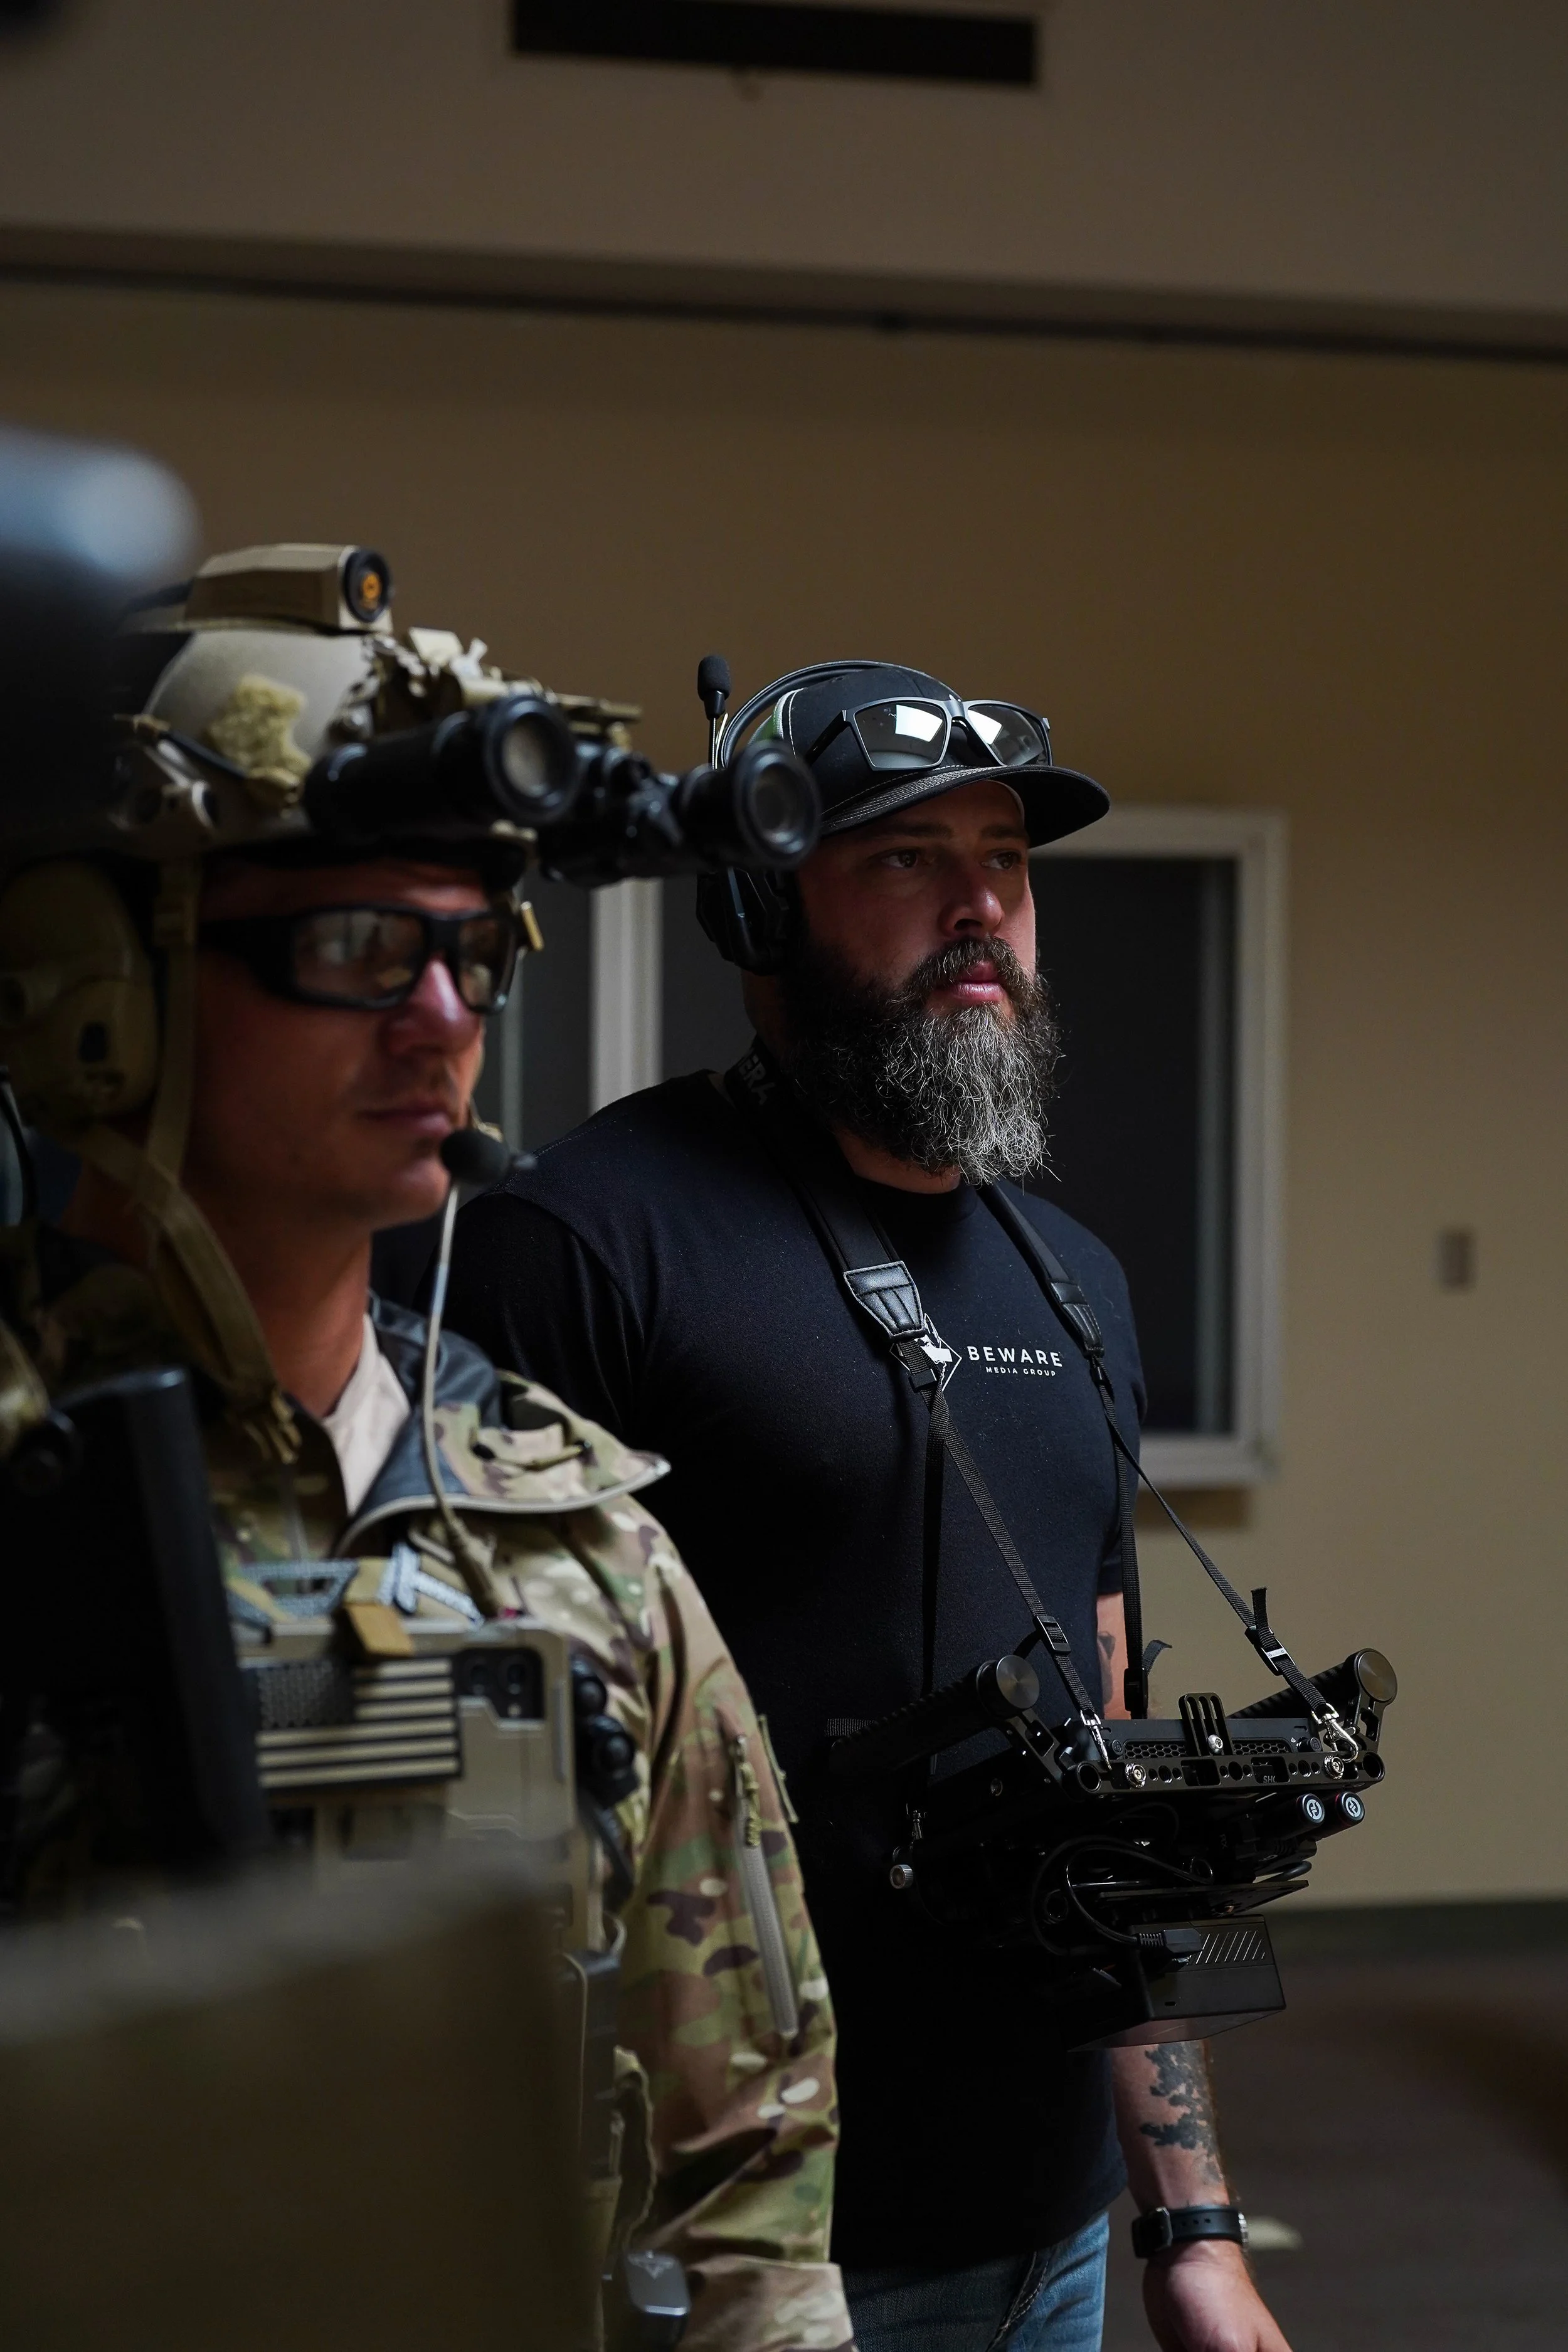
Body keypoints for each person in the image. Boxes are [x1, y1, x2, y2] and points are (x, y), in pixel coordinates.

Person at [0, 562, 852, 2352]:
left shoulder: (573, 1536)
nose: (445, 1020)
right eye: (358, 949)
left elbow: (743, 2174)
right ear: (100, 991)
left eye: (471, 952)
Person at [445, 663, 1294, 2352]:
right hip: (726, 2250)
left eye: (1006, 857)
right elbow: (468, 1807)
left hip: (1043, 2228)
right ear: (761, 904)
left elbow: (1104, 1753)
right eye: (905, 858)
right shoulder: (585, 1244)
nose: (981, 904)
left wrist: (1188, 2217)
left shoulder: (1080, 1283)